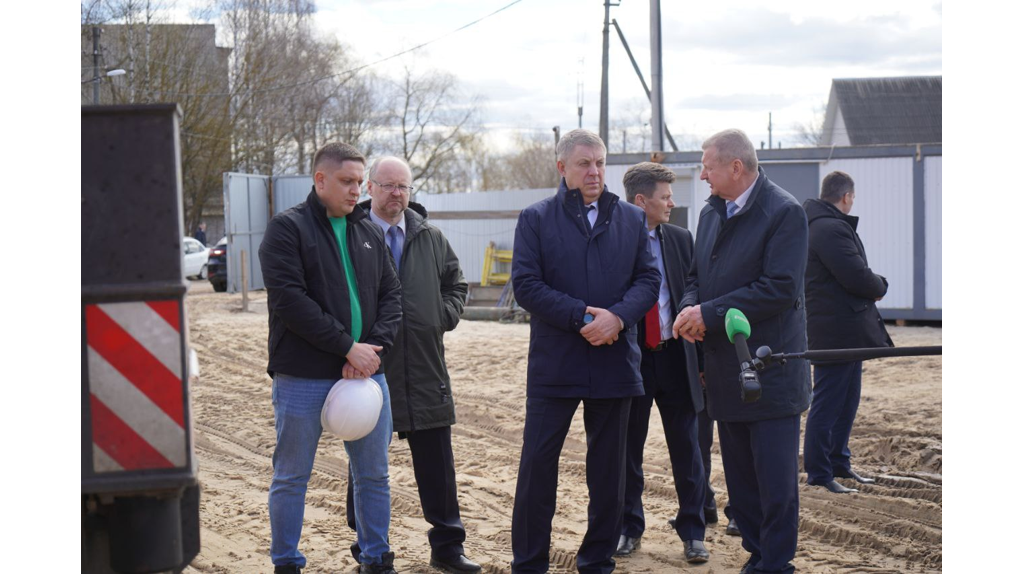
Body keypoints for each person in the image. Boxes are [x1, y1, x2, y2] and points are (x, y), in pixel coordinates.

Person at [509, 129, 660, 574]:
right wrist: (581, 317)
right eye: (584, 164)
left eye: (599, 163)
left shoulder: (631, 218)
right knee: (537, 468)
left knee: (610, 473)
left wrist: (617, 318)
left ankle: (597, 561)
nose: (594, 171)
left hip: (615, 363)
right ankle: (529, 564)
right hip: (555, 364)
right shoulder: (536, 218)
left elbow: (648, 280)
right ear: (562, 168)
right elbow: (526, 285)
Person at [259, 142, 403, 574]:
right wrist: (346, 347)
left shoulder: (369, 232)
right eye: (347, 181)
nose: (356, 190)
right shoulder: (286, 229)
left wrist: (370, 351)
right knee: (292, 476)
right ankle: (287, 563)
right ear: (320, 180)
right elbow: (290, 301)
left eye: (360, 181)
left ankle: (376, 559)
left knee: (373, 474)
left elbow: (392, 297)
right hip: (303, 376)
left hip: (366, 375)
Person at [672, 129, 810, 574]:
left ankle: (776, 564)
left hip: (769, 370)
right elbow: (695, 276)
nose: (702, 175)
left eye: (707, 166)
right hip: (724, 370)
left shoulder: (784, 213)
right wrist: (690, 309)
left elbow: (779, 288)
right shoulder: (711, 213)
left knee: (775, 484)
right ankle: (757, 555)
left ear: (736, 167)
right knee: (741, 481)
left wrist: (708, 313)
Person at [347, 156, 481, 573]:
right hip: (372, 367)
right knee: (366, 465)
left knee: (438, 466)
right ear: (370, 187)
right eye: (387, 185)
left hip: (426, 366)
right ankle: (368, 547)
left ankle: (448, 548)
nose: (396, 193)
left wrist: (441, 317)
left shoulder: (430, 236)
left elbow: (456, 283)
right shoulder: (351, 234)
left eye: (403, 186)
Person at [616, 162, 709, 564]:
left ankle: (693, 532)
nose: (672, 203)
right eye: (665, 197)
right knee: (627, 451)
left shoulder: (680, 238)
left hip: (675, 356)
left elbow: (694, 291)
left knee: (687, 449)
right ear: (642, 201)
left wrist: (701, 361)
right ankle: (629, 528)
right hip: (631, 359)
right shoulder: (614, 239)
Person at [803, 171, 892, 494]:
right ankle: (819, 472)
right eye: (853, 197)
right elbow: (855, 274)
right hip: (835, 331)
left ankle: (839, 462)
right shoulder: (830, 228)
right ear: (846, 197)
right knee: (829, 402)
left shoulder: (820, 225)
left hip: (841, 330)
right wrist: (880, 285)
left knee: (846, 400)